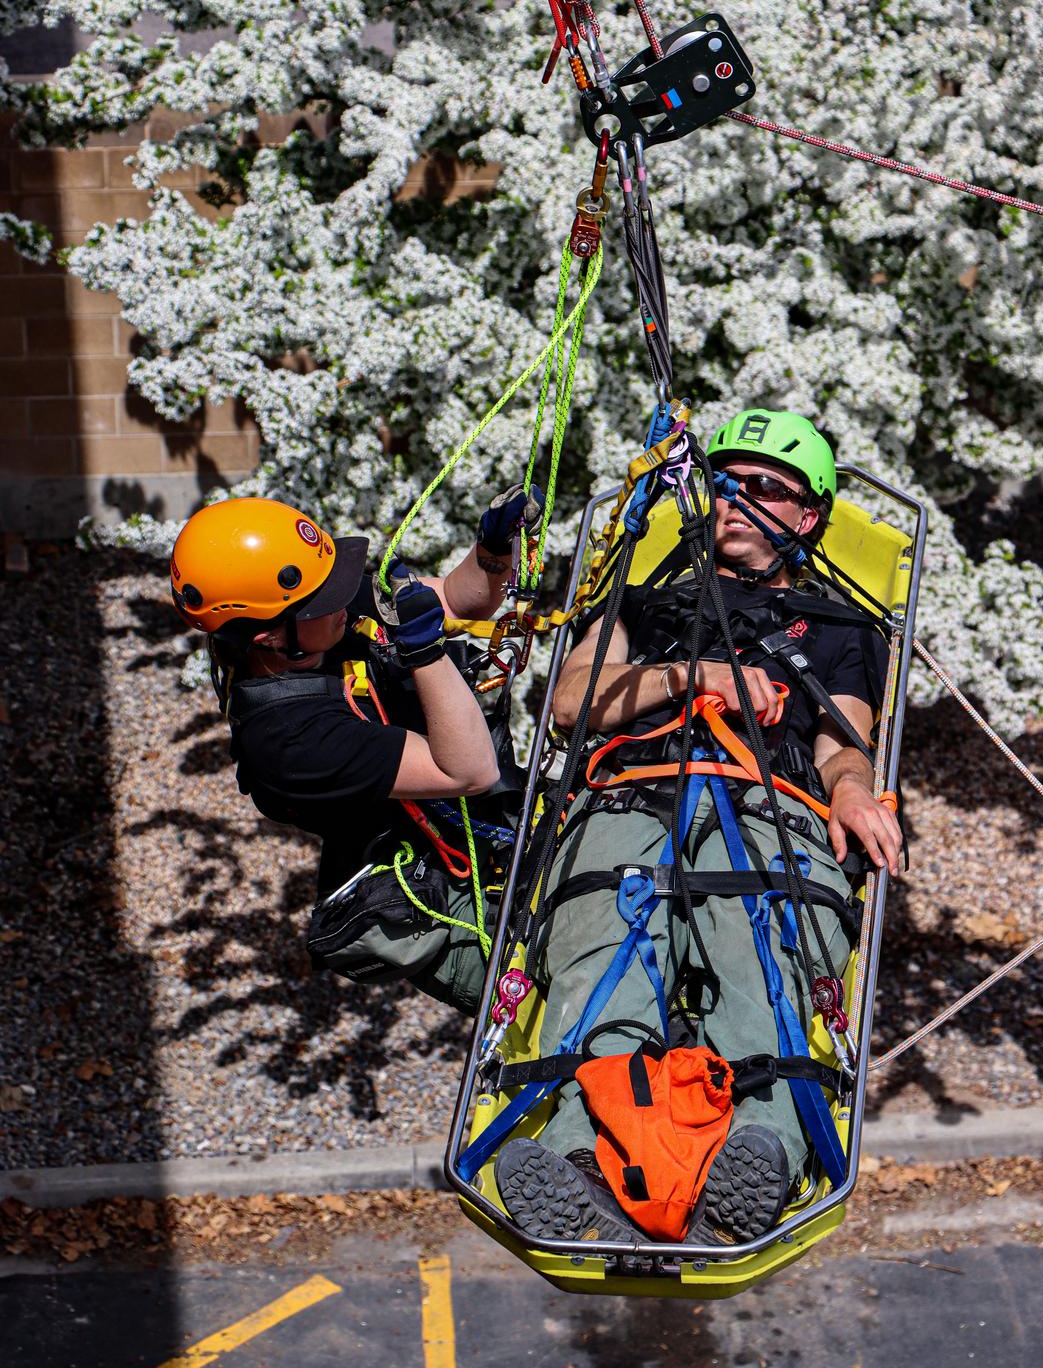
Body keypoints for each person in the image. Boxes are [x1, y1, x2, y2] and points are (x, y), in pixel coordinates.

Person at [496, 409, 903, 1244]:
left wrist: (856, 792)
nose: (735, 498)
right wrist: (690, 674)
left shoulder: (839, 627)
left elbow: (842, 748)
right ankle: (584, 1165)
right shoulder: (640, 603)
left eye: (764, 488)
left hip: (767, 799)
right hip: (630, 791)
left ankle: (760, 1156)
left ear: (807, 516)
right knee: (602, 958)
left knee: (753, 959)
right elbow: (570, 703)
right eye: (723, 482)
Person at [169, 484, 541, 1011]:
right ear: (267, 638)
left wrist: (493, 550)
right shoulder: (290, 741)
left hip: (488, 826)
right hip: (439, 894)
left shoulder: (317, 617)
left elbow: (461, 598)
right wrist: (426, 654)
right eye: (326, 598)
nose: (345, 598)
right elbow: (469, 770)